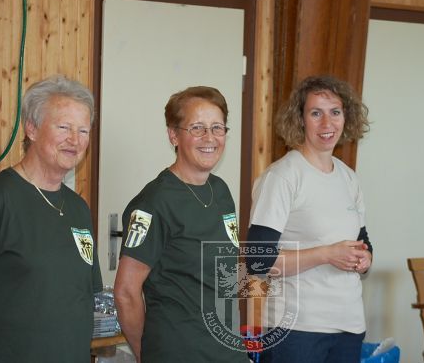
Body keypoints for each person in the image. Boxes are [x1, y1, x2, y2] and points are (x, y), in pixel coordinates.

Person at [0, 75, 103, 363]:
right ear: (32, 129)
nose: (75, 140)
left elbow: (78, 297)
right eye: (63, 127)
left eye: (83, 130)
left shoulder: (78, 208)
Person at [114, 86, 247, 363]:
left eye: (217, 128)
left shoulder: (221, 191)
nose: (209, 138)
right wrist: (146, 354)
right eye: (197, 128)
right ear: (173, 135)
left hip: (228, 352)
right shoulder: (154, 202)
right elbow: (126, 293)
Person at [246, 75, 372, 363]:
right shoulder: (282, 177)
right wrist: (326, 254)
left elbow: (363, 241)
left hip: (349, 325)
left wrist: (365, 258)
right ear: (300, 120)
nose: (327, 123)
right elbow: (257, 260)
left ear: (346, 117)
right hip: (296, 330)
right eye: (316, 113)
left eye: (335, 112)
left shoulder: (348, 178)